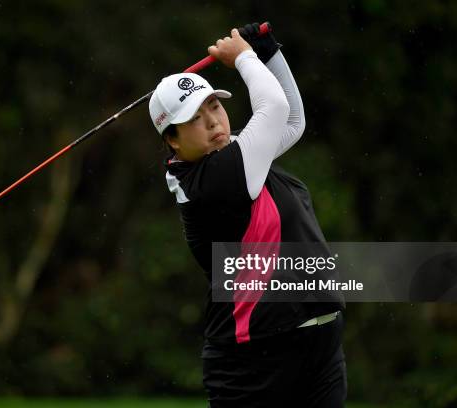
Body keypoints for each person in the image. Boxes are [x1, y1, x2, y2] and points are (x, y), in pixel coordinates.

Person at [149, 24, 347, 407]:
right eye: (194, 118)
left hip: (319, 346)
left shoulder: (235, 156)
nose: (213, 122)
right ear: (172, 139)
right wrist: (242, 57)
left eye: (214, 106)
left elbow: (291, 122)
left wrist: (268, 51)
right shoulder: (211, 180)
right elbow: (272, 108)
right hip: (257, 359)